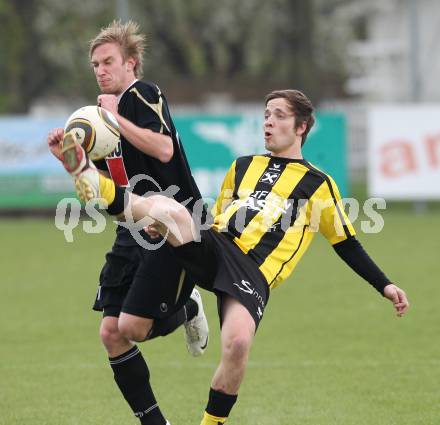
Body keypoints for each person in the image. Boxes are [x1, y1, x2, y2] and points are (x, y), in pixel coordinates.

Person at [59, 88, 409, 425]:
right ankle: (96, 181)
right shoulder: (242, 166)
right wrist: (163, 225)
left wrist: (385, 285)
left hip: (252, 272)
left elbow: (346, 243)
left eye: (279, 116)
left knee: (238, 343)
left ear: (301, 127)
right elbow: (213, 217)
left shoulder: (320, 184)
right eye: (266, 115)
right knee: (171, 212)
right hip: (219, 244)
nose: (268, 122)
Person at [47, 20, 209, 425]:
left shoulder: (141, 94)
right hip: (131, 228)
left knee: (134, 328)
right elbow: (100, 193)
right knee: (111, 334)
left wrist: (116, 119)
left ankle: (186, 304)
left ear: (130, 64)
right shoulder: (100, 121)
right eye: (94, 65)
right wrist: (72, 159)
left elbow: (165, 148)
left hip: (172, 227)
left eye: (108, 62)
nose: (100, 70)